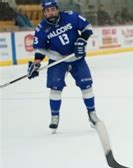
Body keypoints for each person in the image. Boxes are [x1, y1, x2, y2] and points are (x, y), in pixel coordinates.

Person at [27, 0, 99, 133]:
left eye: (53, 9)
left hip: (76, 57)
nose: (51, 12)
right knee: (55, 89)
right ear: (44, 13)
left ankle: (92, 114)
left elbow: (87, 28)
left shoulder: (71, 16)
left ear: (57, 9)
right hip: (57, 60)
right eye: (47, 11)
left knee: (87, 85)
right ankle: (55, 116)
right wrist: (37, 63)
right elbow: (41, 50)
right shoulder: (41, 28)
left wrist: (81, 40)